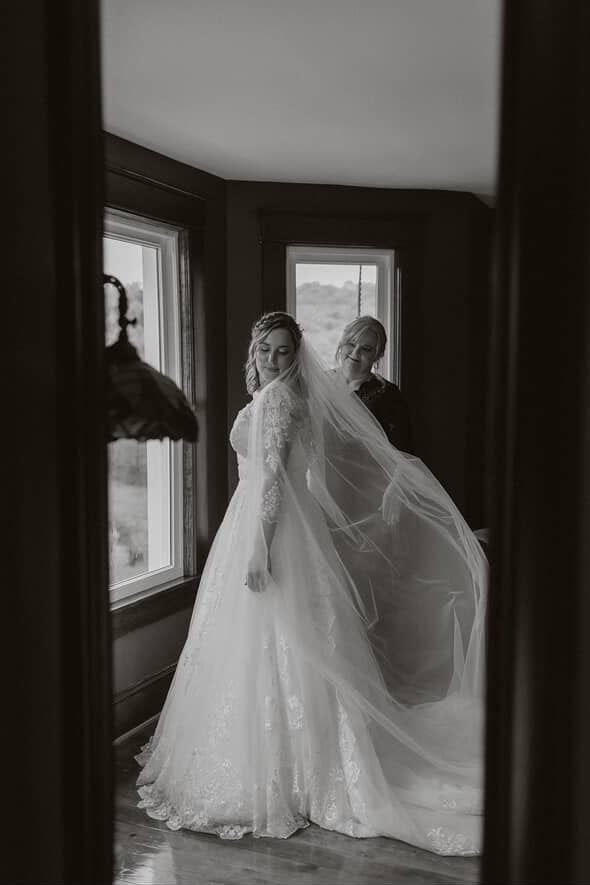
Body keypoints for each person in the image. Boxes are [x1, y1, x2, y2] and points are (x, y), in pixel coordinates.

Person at [136, 311, 487, 856]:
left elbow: (274, 478)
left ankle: (295, 767)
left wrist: (258, 546)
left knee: (285, 640)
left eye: (284, 351)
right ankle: (295, 756)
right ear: (253, 352)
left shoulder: (278, 401)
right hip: (262, 524)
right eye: (266, 350)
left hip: (269, 532)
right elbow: (270, 476)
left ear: (296, 356)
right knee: (273, 645)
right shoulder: (279, 396)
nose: (274, 359)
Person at [335, 315, 413, 452]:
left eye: (366, 349)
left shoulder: (388, 394)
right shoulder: (320, 381)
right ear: (342, 344)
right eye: (351, 344)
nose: (355, 353)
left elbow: (402, 451)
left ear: (378, 355)